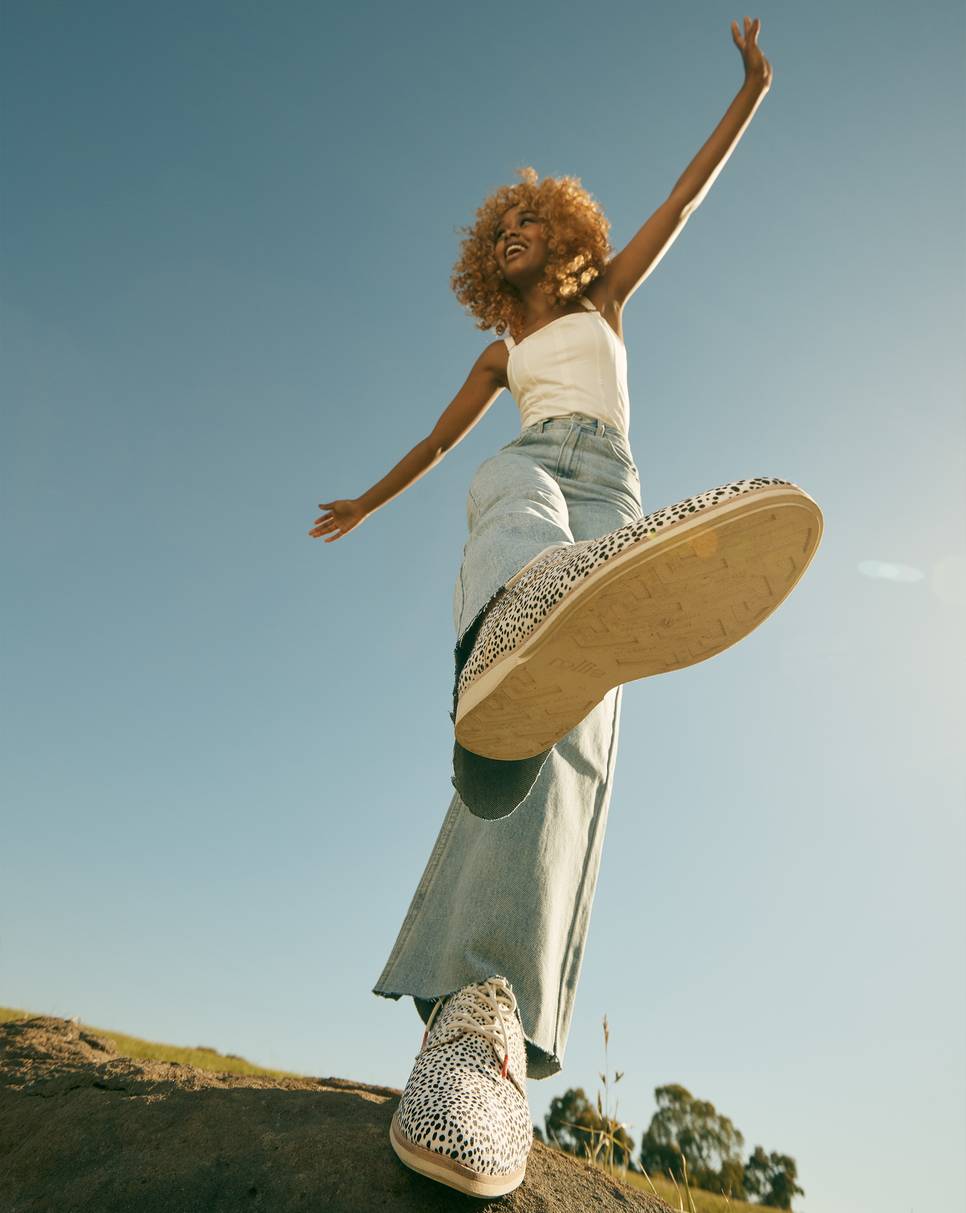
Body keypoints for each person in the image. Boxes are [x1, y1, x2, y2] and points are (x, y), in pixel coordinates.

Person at [308, 19, 817, 1199]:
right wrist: (370, 505)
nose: (520, 230)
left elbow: (684, 201)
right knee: (503, 484)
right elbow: (445, 446)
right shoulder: (502, 353)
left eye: (534, 217)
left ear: (567, 232)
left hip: (615, 492)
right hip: (534, 481)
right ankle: (513, 613)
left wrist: (753, 89)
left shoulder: (609, 295)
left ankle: (490, 1035)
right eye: (505, 228)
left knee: (568, 725)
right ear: (495, 257)